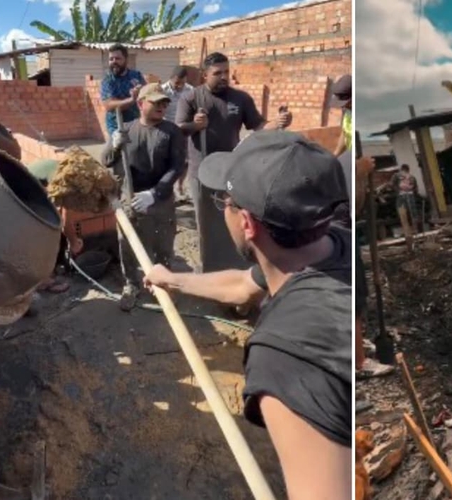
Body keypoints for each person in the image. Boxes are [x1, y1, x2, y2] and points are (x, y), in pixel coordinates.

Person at [145, 130, 351, 498]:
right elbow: (243, 285)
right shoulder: (332, 243)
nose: (222, 206)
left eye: (224, 200)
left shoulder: (286, 356)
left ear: (246, 224)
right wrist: (172, 279)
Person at [175, 51, 291, 278]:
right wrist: (195, 126)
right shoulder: (192, 99)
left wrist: (276, 124)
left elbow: (258, 126)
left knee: (236, 222)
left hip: (232, 171)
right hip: (203, 172)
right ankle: (210, 271)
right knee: (207, 226)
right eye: (217, 73)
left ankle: (237, 270)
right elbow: (179, 128)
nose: (223, 76)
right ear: (205, 76)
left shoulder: (240, 99)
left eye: (226, 72)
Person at [102, 83, 186, 311]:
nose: (162, 106)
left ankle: (163, 284)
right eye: (156, 102)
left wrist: (155, 193)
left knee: (163, 244)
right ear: (140, 104)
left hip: (160, 198)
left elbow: (177, 166)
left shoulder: (172, 132)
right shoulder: (125, 129)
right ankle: (131, 284)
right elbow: (106, 160)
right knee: (128, 244)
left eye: (164, 103)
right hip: (129, 197)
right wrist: (114, 145)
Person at [355, 148, 393, 381]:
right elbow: (355, 206)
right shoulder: (345, 170)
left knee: (358, 297)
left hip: (343, 239)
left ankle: (357, 344)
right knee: (354, 300)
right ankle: (359, 363)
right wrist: (360, 174)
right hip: (342, 239)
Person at [26, 158, 86, 294]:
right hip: (21, 193)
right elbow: (65, 223)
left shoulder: (65, 170)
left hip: (23, 185)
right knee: (43, 232)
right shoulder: (69, 187)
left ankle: (42, 275)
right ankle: (43, 281)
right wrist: (74, 243)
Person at [161, 65, 194, 199]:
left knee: (184, 162)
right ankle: (167, 188)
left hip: (184, 132)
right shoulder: (162, 90)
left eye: (182, 83)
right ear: (171, 79)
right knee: (167, 161)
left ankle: (180, 187)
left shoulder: (191, 90)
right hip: (166, 131)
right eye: (176, 83)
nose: (179, 86)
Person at [100, 44, 146, 137]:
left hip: (136, 124)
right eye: (111, 59)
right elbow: (109, 105)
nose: (114, 61)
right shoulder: (108, 80)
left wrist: (141, 92)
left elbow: (147, 94)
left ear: (126, 59)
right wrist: (132, 99)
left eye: (117, 58)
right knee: (116, 150)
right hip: (116, 128)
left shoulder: (136, 75)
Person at [331, 74, 352, 157]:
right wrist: (335, 155)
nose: (344, 106)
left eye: (347, 103)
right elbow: (345, 133)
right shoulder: (346, 111)